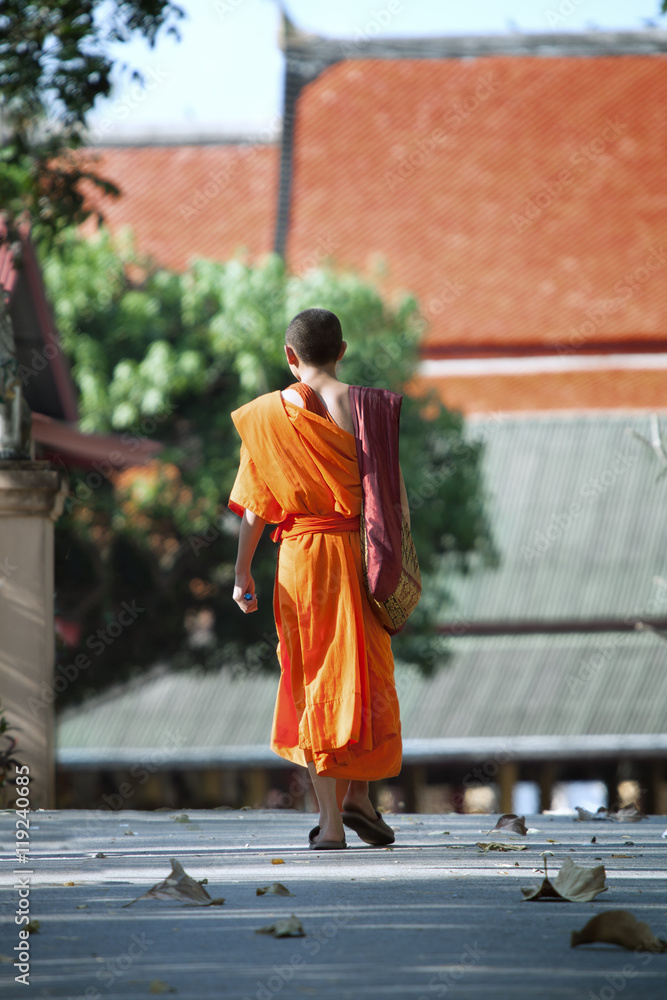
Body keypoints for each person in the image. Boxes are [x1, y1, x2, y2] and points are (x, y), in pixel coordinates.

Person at [229, 307, 408, 849]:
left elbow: (256, 506)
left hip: (302, 562)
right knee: (363, 674)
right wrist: (396, 564)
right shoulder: (370, 406)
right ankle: (360, 795)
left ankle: (333, 822)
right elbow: (394, 498)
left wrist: (241, 572)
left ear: (290, 355)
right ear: (342, 351)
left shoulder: (267, 416)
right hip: (361, 555)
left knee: (313, 680)